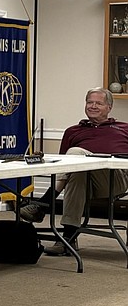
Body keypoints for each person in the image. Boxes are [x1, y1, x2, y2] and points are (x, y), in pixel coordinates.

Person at [19, 88, 128, 255]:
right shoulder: (73, 131)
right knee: (77, 173)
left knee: (76, 154)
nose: (93, 106)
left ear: (109, 107)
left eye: (98, 103)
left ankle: (45, 203)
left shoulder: (123, 128)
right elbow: (64, 165)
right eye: (90, 102)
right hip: (84, 179)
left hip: (114, 179)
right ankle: (67, 240)